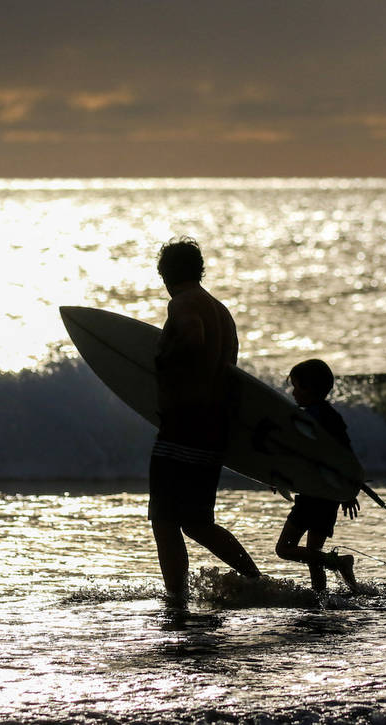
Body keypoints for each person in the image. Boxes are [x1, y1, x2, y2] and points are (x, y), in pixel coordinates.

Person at [149, 237, 260, 601]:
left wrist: (165, 363)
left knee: (165, 520)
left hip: (183, 424)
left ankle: (176, 598)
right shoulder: (221, 311)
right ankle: (257, 581)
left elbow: (194, 340)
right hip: (213, 426)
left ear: (166, 273)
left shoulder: (182, 303)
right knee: (197, 522)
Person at [275, 358, 364, 592]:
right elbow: (346, 456)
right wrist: (347, 492)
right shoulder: (332, 417)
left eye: (297, 387)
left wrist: (276, 474)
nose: (293, 393)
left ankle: (341, 562)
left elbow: (299, 453)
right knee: (313, 556)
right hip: (329, 495)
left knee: (284, 549)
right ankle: (321, 600)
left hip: (313, 495)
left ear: (310, 389)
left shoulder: (308, 419)